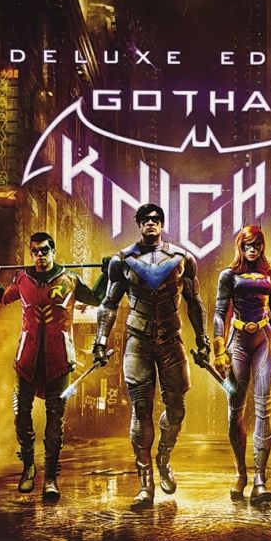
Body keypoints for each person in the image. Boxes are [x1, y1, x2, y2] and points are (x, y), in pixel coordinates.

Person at [0, 234, 106, 501]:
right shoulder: (22, 278)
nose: (39, 256)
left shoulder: (70, 280)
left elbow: (97, 298)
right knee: (21, 415)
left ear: (53, 251)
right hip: (27, 360)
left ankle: (50, 477)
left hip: (59, 361)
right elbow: (1, 296)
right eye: (35, 252)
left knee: (55, 422)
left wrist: (108, 273)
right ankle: (28, 466)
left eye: (44, 251)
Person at [92, 204, 210, 509]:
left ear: (162, 224)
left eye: (156, 219)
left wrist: (203, 339)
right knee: (141, 408)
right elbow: (109, 304)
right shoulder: (122, 261)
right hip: (138, 340)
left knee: (176, 409)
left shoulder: (182, 259)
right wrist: (100, 340)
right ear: (139, 224)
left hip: (171, 339)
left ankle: (164, 458)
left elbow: (194, 302)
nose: (151, 223)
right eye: (145, 220)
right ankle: (145, 485)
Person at [213, 225, 271, 505]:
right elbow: (219, 313)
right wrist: (219, 350)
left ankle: (259, 480)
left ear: (262, 246)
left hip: (265, 339)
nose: (252, 250)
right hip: (238, 340)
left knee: (263, 408)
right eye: (247, 245)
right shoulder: (228, 276)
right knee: (235, 411)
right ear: (240, 247)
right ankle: (241, 473)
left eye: (256, 245)